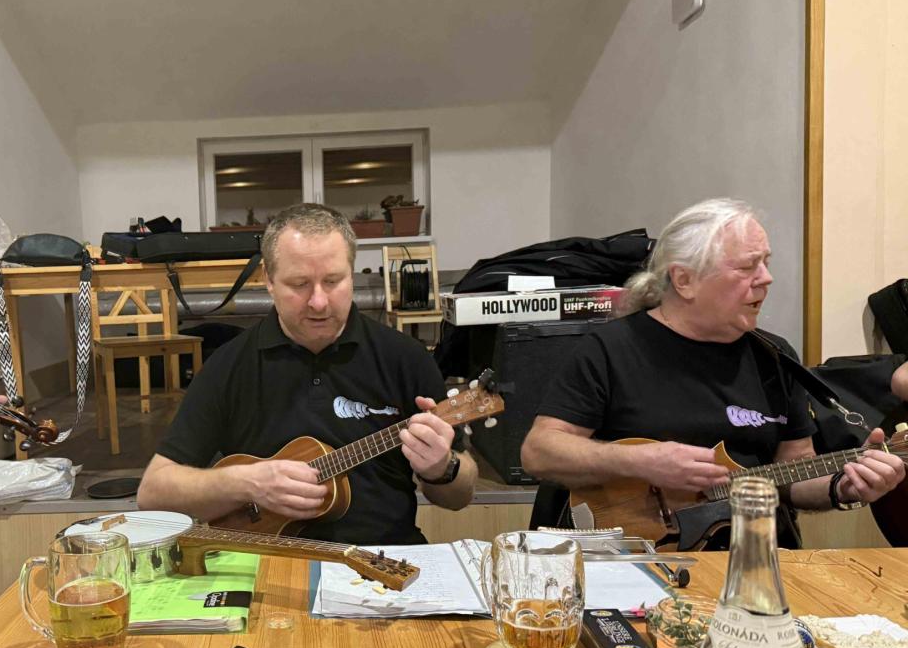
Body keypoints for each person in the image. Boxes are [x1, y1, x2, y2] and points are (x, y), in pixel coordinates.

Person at [521, 198, 905, 543]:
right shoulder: (610, 349)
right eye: (747, 266)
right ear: (684, 280)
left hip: (749, 555)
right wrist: (639, 462)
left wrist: (842, 487)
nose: (766, 278)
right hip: (634, 558)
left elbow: (793, 472)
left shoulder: (775, 356)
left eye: (766, 263)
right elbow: (540, 452)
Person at [136, 203, 477, 544]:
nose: (318, 302)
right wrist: (246, 483)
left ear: (352, 274)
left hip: (386, 558)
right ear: (268, 280)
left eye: (333, 281)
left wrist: (442, 469)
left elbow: (459, 498)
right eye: (299, 284)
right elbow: (153, 493)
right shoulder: (228, 365)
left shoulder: (406, 358)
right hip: (267, 559)